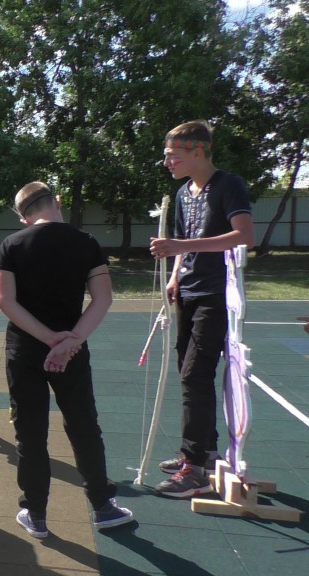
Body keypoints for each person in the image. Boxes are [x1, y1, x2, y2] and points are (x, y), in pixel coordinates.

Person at [0, 181, 134, 539]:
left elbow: (6, 301)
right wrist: (70, 341)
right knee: (83, 425)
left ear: (24, 217)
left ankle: (35, 513)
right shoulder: (86, 243)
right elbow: (102, 298)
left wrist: (48, 339)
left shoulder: (12, 244)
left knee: (30, 431)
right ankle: (102, 506)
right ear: (57, 202)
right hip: (71, 352)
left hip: (25, 351)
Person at [149, 120, 255, 498]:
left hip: (215, 294)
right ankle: (204, 451)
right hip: (189, 291)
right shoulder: (183, 193)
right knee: (189, 372)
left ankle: (194, 467)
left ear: (198, 151)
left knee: (195, 374)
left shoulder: (228, 185)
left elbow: (244, 235)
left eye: (172, 155)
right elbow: (182, 239)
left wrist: (182, 248)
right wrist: (174, 276)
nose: (167, 163)